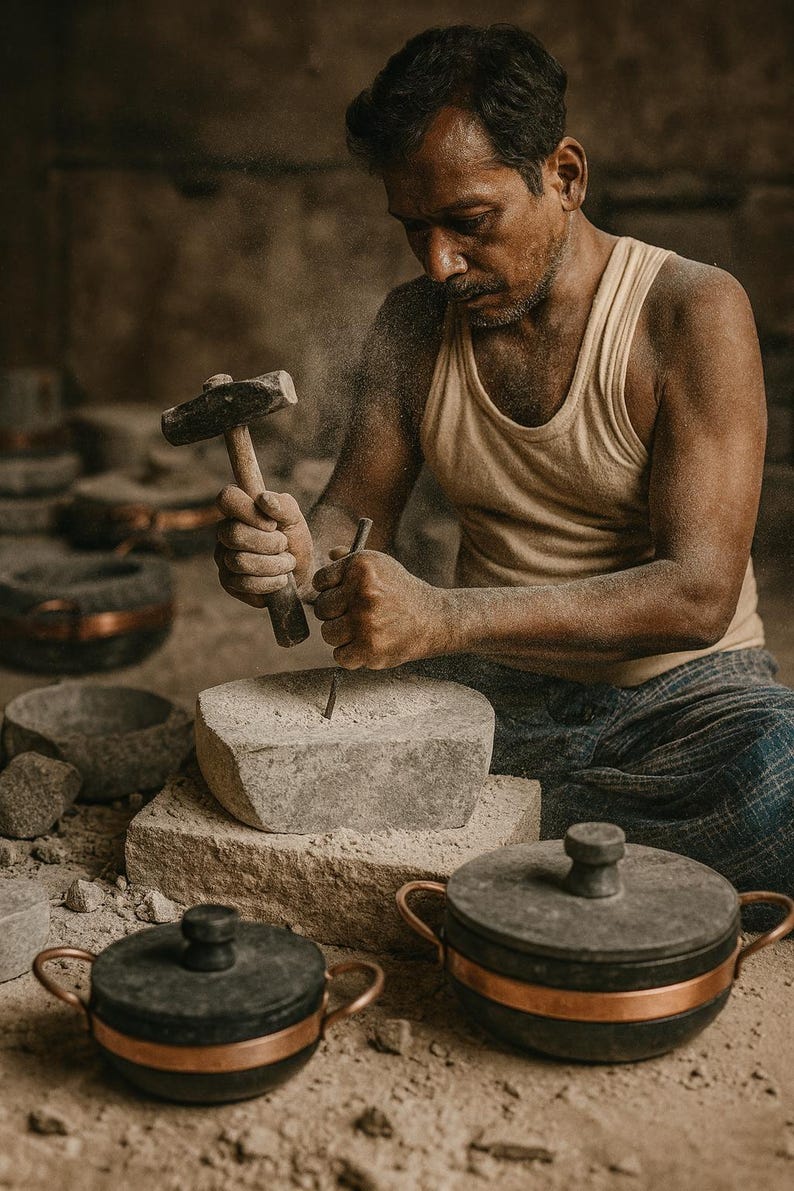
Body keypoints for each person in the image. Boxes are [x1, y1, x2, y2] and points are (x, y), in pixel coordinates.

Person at [214, 24, 793, 910]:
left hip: (687, 705)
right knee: (296, 756)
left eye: (469, 222)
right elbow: (347, 522)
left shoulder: (689, 311)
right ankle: (558, 861)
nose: (440, 262)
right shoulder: (412, 326)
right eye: (414, 229)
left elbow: (698, 594)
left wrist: (444, 618)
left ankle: (486, 848)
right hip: (492, 692)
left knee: (777, 789)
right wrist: (289, 554)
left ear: (564, 175)